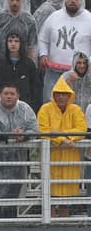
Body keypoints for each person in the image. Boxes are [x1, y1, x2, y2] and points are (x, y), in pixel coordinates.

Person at [0, 83, 38, 218]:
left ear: (18, 95)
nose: (8, 96)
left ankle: (11, 222)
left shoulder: (25, 109)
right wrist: (8, 134)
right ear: (0, 95)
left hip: (18, 161)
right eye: (6, 93)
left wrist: (23, 135)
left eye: (12, 94)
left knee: (14, 194)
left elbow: (34, 129)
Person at [37, 76, 87, 217]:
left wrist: (63, 135)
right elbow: (43, 130)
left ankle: (64, 221)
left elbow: (81, 129)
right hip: (51, 157)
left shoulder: (75, 109)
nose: (61, 97)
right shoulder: (45, 109)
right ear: (53, 95)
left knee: (66, 197)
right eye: (58, 94)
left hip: (69, 158)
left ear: (69, 95)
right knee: (50, 195)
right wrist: (62, 140)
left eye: (64, 94)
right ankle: (49, 222)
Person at [38, 0, 91, 103]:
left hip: (78, 74)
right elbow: (43, 39)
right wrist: (43, 54)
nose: (72, 1)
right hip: (53, 73)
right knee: (50, 102)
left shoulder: (89, 19)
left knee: (75, 105)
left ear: (81, 1)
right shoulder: (54, 17)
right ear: (65, 0)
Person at [0, 32, 39, 110]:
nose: (13, 44)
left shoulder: (29, 64)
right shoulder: (0, 64)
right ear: (6, 44)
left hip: (24, 106)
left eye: (16, 41)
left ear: (21, 44)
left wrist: (33, 106)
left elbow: (35, 87)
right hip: (2, 106)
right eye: (10, 41)